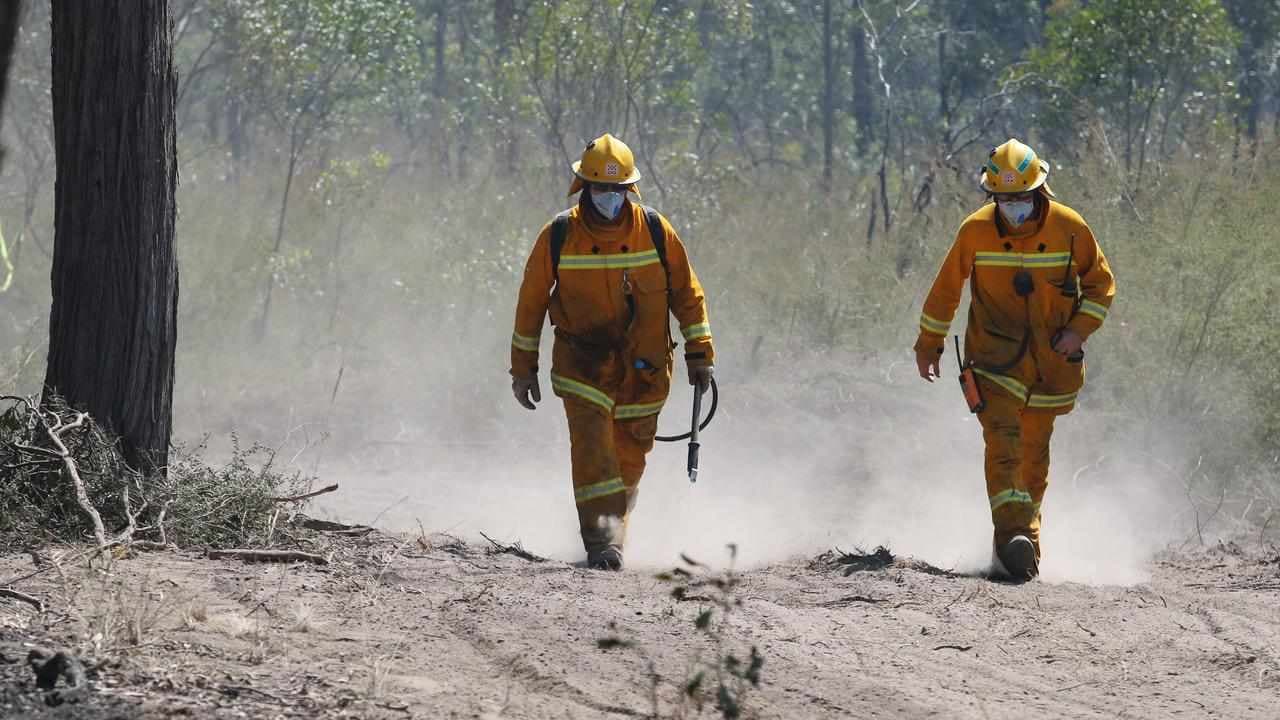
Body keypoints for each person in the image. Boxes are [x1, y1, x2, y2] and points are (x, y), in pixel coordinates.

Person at [509, 133, 715, 571]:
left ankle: (615, 524)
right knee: (591, 446)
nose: (609, 198)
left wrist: (700, 351)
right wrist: (522, 369)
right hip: (580, 364)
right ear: (583, 187)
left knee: (627, 457)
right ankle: (602, 542)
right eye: (601, 189)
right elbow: (530, 303)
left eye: (617, 190)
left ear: (630, 190)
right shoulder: (560, 235)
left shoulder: (656, 232)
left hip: (644, 368)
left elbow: (688, 294)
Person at [913, 138, 1115, 581]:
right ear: (992, 196)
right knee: (1003, 444)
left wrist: (1077, 330)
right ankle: (1012, 538)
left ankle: (1025, 547)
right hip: (994, 361)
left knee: (1033, 458)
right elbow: (947, 290)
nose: (1013, 207)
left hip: (1051, 368)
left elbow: (1101, 286)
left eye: (1021, 198)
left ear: (1040, 191)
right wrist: (930, 343)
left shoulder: (1071, 228)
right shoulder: (975, 231)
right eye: (1004, 199)